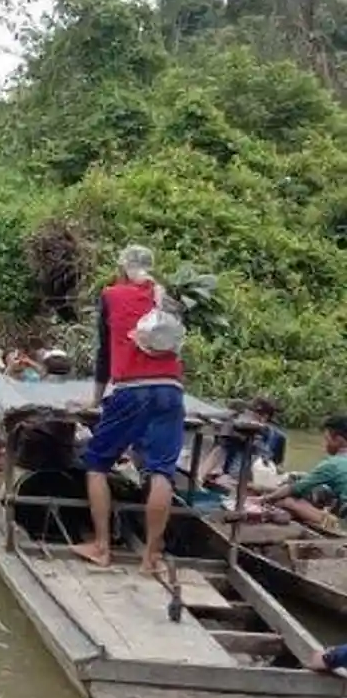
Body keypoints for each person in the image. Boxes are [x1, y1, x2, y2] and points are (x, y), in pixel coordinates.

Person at [72, 245, 184, 574]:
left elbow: (104, 353)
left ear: (122, 269)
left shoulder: (111, 295)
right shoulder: (167, 298)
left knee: (96, 463)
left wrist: (94, 399)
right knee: (161, 471)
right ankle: (150, 557)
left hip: (131, 390)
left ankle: (102, 547)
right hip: (171, 389)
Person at [261, 415, 347, 527]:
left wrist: (263, 499)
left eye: (327, 439)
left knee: (289, 501)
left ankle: (336, 525)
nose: (324, 444)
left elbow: (295, 489)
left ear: (338, 440)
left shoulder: (333, 463)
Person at [197, 397, 287, 492]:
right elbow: (218, 453)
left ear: (264, 417)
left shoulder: (276, 438)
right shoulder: (238, 432)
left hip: (253, 482)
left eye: (251, 413)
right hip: (239, 480)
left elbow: (277, 465)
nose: (248, 415)